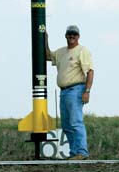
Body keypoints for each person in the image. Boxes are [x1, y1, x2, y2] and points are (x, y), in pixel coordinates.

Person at [46, 25, 94, 160]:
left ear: (78, 36)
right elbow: (47, 55)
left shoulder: (82, 51)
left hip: (76, 90)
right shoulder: (61, 52)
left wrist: (87, 91)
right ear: (65, 35)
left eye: (74, 34)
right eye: (69, 34)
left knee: (75, 122)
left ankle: (82, 152)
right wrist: (45, 39)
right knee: (66, 125)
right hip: (64, 92)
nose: (72, 36)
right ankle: (74, 153)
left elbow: (90, 71)